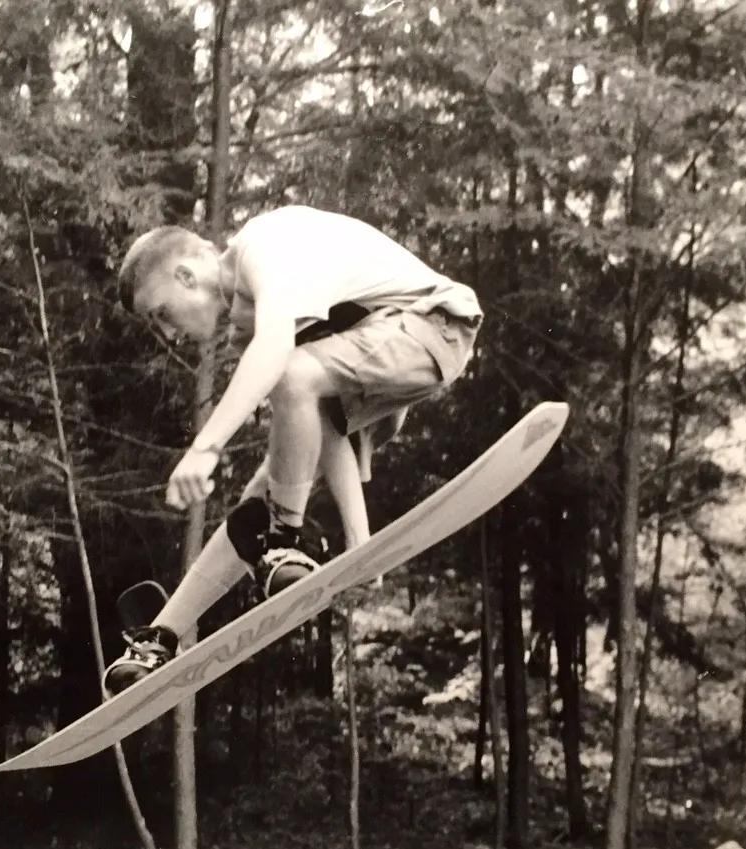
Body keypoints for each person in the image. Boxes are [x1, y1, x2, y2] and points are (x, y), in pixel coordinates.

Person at [103, 205, 482, 694]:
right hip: (379, 354)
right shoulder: (247, 325)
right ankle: (163, 635)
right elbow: (324, 423)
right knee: (265, 489)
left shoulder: (266, 248)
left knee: (289, 376)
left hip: (434, 325)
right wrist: (362, 544)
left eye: (162, 314)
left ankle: (289, 541)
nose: (169, 333)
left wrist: (206, 446)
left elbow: (283, 358)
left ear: (186, 274)